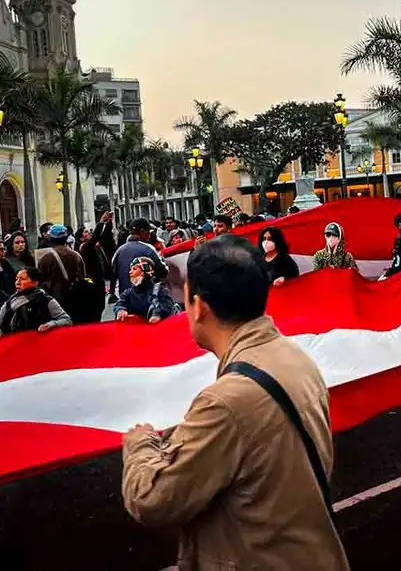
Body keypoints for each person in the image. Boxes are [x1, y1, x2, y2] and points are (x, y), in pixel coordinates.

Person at [121, 236, 350, 569]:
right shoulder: (294, 356)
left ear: (200, 307)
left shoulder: (224, 403)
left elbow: (152, 500)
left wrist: (140, 444)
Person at [0, 267, 72, 335]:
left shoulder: (45, 300)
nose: (17, 282)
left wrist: (50, 324)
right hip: (15, 342)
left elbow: (67, 320)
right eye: (16, 279)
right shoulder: (11, 300)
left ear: (35, 282)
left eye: (22, 279)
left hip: (38, 343)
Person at [110, 218, 168, 301]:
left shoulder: (119, 250)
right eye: (148, 231)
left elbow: (113, 274)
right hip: (146, 299)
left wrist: (112, 292)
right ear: (142, 231)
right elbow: (163, 272)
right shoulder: (148, 249)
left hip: (125, 298)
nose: (149, 234)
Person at [34, 224, 86, 309]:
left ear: (50, 238)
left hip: (55, 302)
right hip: (76, 299)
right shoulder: (77, 256)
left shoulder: (45, 259)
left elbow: (40, 282)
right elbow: (83, 275)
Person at [114, 257, 179, 324]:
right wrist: (120, 310)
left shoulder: (159, 289)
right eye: (130, 269)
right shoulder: (129, 292)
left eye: (134, 269)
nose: (130, 272)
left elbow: (167, 305)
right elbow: (120, 303)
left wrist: (157, 314)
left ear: (145, 271)